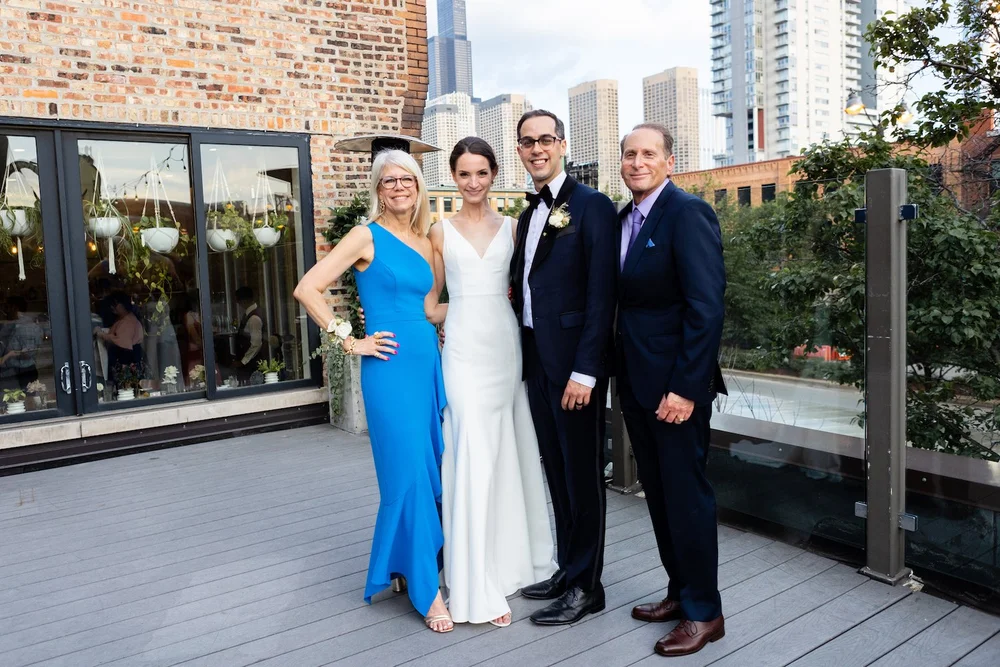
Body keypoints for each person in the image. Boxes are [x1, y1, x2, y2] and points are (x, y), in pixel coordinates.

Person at [293, 148, 453, 633]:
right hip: (387, 367)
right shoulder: (366, 235)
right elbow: (308, 287)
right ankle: (428, 591)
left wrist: (486, 307)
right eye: (389, 181)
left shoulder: (426, 241)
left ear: (419, 186)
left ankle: (407, 569)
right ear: (378, 189)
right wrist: (350, 340)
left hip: (426, 363)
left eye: (408, 179)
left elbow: (428, 309)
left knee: (427, 471)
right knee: (406, 475)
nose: (399, 187)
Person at [424, 137, 556, 628]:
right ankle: (474, 581)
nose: (473, 182)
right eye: (464, 174)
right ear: (454, 178)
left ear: (494, 175)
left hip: (504, 348)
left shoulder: (517, 228)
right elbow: (430, 305)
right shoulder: (438, 232)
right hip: (461, 351)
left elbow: (526, 291)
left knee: (504, 453)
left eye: (482, 173)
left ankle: (508, 567)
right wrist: (468, 307)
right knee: (472, 452)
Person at [616, 123, 728, 657]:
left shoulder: (687, 213)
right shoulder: (625, 220)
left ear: (669, 161)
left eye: (648, 154)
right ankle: (679, 592)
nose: (637, 162)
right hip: (636, 383)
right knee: (659, 496)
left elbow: (706, 308)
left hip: (675, 390)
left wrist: (686, 388)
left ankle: (706, 612)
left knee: (686, 498)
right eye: (629, 154)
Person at [509, 110, 618, 625]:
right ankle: (568, 569)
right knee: (556, 473)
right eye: (527, 142)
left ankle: (587, 588)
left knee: (582, 477)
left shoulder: (592, 206)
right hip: (537, 361)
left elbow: (603, 295)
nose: (537, 149)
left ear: (563, 144)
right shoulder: (530, 214)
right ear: (519, 150)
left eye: (545, 140)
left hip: (576, 370)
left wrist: (587, 371)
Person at [95, 291, 144, 392]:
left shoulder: (128, 321)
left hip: (126, 360)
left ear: (123, 305)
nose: (113, 308)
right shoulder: (125, 319)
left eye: (115, 305)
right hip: (126, 359)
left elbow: (122, 341)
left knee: (126, 390)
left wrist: (102, 334)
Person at [0, 296, 43, 391]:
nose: (4, 311)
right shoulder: (13, 324)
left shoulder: (24, 326)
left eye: (7, 307)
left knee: (22, 401)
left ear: (14, 308)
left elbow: (28, 352)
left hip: (22, 371)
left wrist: (10, 354)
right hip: (19, 370)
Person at [233, 286, 266, 384]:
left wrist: (243, 361)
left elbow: (256, 343)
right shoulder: (249, 315)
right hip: (249, 361)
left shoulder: (254, 318)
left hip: (252, 363)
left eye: (238, 302)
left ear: (243, 301)